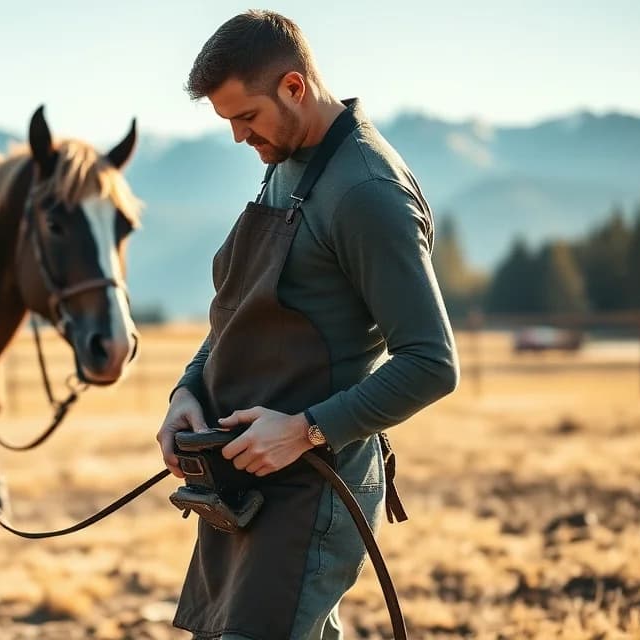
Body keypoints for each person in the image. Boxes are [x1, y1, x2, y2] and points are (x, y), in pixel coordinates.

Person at [155, 10, 460, 640]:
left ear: (295, 87)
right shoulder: (289, 160)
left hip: (314, 490)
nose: (240, 137)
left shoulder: (368, 192)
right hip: (241, 481)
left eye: (247, 117)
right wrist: (187, 390)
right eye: (229, 121)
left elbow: (432, 363)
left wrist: (303, 431)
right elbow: (243, 306)